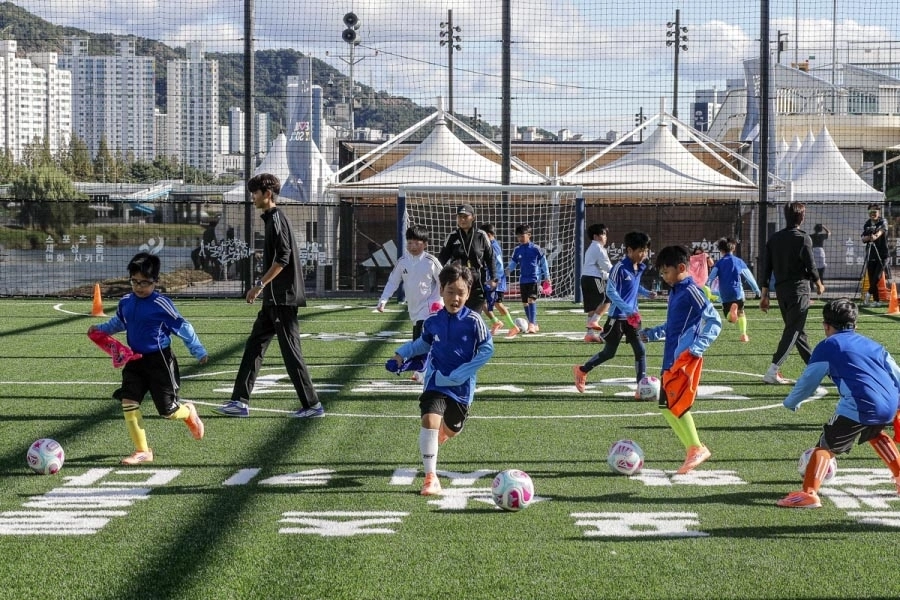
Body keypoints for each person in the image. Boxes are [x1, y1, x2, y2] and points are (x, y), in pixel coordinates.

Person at [214, 173, 324, 419]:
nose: (252, 197)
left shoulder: (276, 219)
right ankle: (239, 401)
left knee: (291, 352)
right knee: (254, 346)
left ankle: (313, 405)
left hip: (282, 299)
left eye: (255, 193)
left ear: (268, 194)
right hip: (273, 300)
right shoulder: (271, 219)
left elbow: (283, 258)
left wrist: (259, 285)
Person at [777, 298, 900, 508]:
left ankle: (808, 494)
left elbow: (808, 381)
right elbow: (896, 372)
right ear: (855, 325)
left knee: (825, 447)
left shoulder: (828, 346)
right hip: (890, 402)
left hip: (861, 403)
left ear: (826, 326)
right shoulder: (873, 345)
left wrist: (791, 401)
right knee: (875, 434)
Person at [88, 252, 208, 465]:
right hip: (134, 360)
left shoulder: (161, 303)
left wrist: (198, 350)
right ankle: (142, 451)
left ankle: (188, 412)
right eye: (134, 281)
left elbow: (183, 327)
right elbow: (119, 323)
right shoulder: (126, 302)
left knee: (168, 411)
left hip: (159, 361)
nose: (139, 287)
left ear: (155, 281)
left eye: (144, 282)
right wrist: (100, 329)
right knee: (129, 401)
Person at [386, 263, 494, 496]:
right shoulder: (433, 320)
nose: (455, 298)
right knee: (429, 419)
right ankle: (430, 477)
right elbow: (422, 344)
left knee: (452, 429)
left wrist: (462, 373)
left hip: (462, 388)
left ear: (468, 293)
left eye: (461, 293)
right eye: (450, 292)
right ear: (441, 290)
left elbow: (487, 350)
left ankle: (444, 433)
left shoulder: (474, 321)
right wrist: (400, 355)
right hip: (436, 381)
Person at [640, 245, 722, 474]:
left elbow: (715, 321)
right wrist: (653, 333)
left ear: (682, 268)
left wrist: (697, 347)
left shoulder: (691, 291)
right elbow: (673, 325)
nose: (664, 277)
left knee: (676, 405)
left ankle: (696, 448)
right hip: (670, 357)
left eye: (666, 272)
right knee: (666, 407)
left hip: (684, 358)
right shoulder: (676, 291)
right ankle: (692, 449)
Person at [573, 231, 655, 397]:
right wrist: (627, 309)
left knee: (640, 351)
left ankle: (640, 388)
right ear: (630, 250)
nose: (644, 254)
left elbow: (634, 286)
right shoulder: (619, 268)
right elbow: (611, 291)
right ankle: (582, 370)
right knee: (609, 353)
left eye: (646, 251)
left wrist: (647, 293)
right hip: (617, 318)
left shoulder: (640, 267)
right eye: (641, 251)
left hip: (633, 318)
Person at [760, 202, 825, 385]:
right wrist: (819, 283)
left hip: (781, 292)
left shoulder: (774, 239)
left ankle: (815, 369)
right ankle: (773, 370)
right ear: (802, 217)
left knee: (798, 332)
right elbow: (811, 265)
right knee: (793, 331)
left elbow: (767, 268)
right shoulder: (803, 238)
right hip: (799, 290)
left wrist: (764, 295)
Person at [376, 225, 443, 381]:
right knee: (420, 341)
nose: (413, 246)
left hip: (430, 307)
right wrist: (383, 300)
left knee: (421, 339)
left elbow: (444, 281)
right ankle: (421, 370)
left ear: (425, 244)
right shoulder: (403, 262)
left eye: (417, 243)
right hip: (414, 309)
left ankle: (416, 369)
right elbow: (393, 281)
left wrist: (440, 301)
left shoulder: (431, 261)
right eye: (410, 243)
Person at [437, 204, 497, 313]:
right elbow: (441, 260)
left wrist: (494, 278)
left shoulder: (481, 235)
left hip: (477, 284)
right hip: (458, 283)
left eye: (465, 216)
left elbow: (490, 258)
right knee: (457, 315)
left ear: (473, 217)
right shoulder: (452, 236)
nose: (462, 220)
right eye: (460, 217)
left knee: (473, 315)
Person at [707, 237, 761, 343]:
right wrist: (756, 290)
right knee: (741, 313)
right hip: (738, 293)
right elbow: (749, 277)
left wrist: (707, 287)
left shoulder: (719, 263)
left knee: (730, 319)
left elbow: (711, 278)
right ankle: (744, 334)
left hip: (725, 294)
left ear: (720, 250)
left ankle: (731, 313)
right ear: (734, 248)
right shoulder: (739, 262)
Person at [505, 223, 551, 336]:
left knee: (531, 300)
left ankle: (531, 324)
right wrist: (507, 271)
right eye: (518, 236)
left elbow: (543, 262)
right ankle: (534, 323)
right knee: (525, 303)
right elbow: (513, 263)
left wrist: (547, 276)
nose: (520, 238)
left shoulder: (535, 248)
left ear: (529, 235)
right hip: (523, 280)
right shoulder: (517, 250)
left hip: (534, 278)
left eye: (522, 236)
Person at [480, 223, 517, 336]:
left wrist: (495, 279)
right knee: (482, 302)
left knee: (497, 304)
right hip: (491, 280)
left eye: (482, 236)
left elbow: (499, 265)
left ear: (488, 235)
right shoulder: (491, 245)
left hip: (496, 281)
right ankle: (496, 322)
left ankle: (513, 326)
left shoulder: (493, 246)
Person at [581, 223, 613, 343]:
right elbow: (607, 266)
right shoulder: (599, 248)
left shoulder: (591, 248)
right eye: (603, 234)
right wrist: (618, 273)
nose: (605, 237)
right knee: (608, 299)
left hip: (585, 278)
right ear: (595, 236)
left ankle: (589, 334)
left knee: (592, 306)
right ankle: (594, 321)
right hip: (594, 279)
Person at [861, 204, 889, 307]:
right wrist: (869, 237)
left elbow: (880, 232)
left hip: (883, 255)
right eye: (870, 212)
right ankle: (877, 301)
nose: (872, 214)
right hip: (871, 254)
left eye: (875, 211)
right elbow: (863, 238)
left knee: (877, 277)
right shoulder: (867, 223)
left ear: (878, 212)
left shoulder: (883, 221)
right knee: (872, 278)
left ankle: (868, 294)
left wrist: (875, 236)